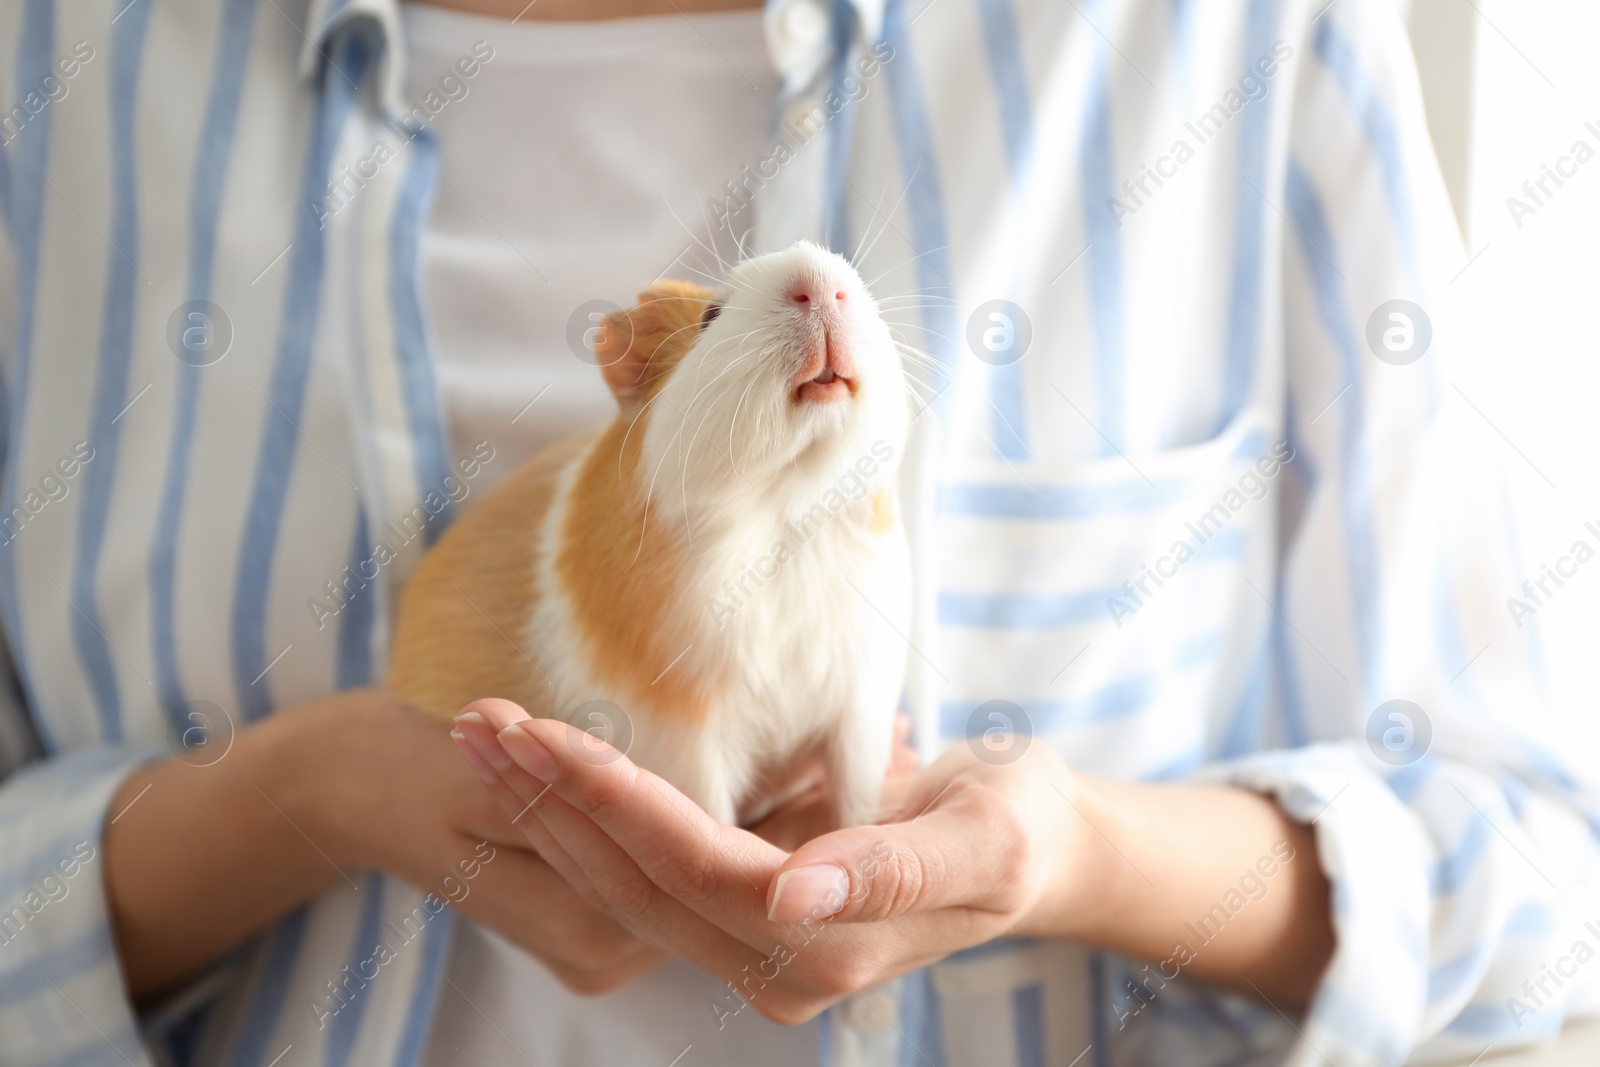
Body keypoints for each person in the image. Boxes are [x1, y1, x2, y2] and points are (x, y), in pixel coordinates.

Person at [0, 0, 1592, 1063]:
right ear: (637, 375)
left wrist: (1089, 857)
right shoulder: (59, 66)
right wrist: (300, 797)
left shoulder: (1241, 38)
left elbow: (1545, 873)